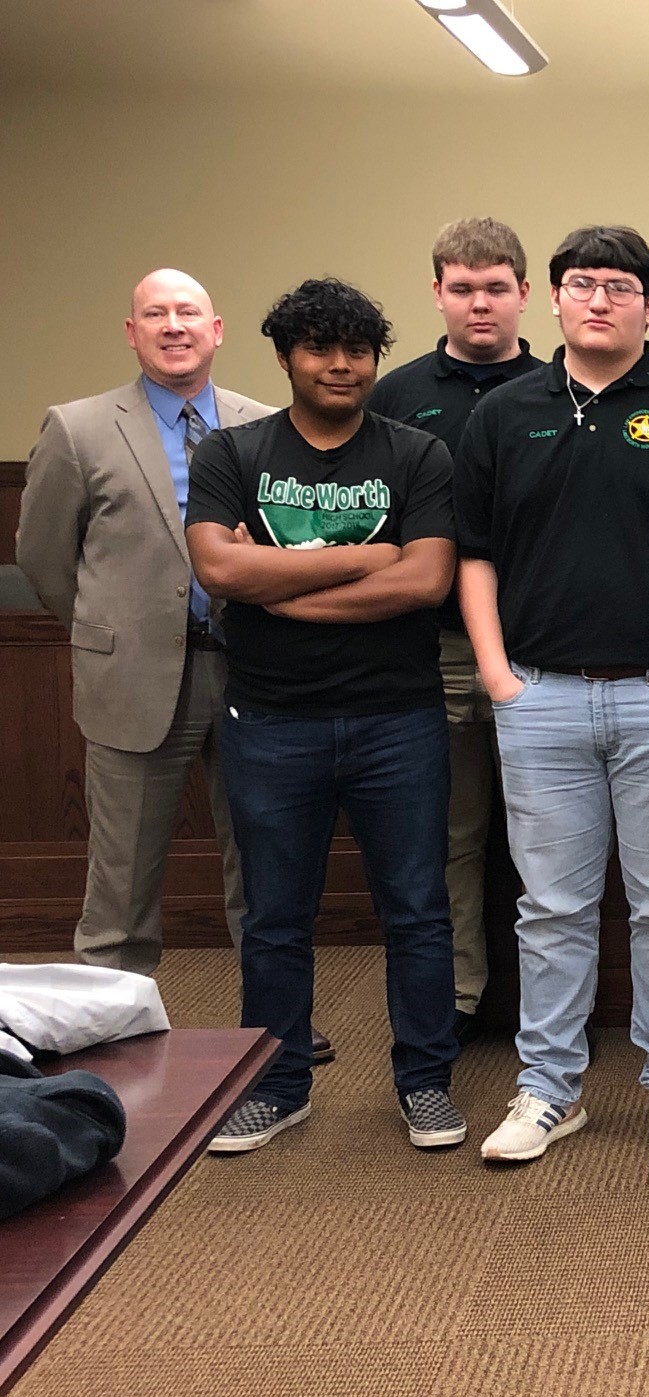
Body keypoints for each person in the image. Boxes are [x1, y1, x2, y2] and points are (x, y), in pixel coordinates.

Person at [454, 225, 649, 1163]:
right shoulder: (505, 415)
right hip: (540, 699)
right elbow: (474, 556)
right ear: (552, 298)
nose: (600, 299)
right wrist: (498, 678)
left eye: (621, 286)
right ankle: (547, 1090)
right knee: (549, 907)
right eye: (582, 283)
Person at [185, 279, 463, 1152]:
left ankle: (425, 1084)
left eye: (357, 350)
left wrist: (282, 586)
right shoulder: (232, 453)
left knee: (417, 910)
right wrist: (366, 556)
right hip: (270, 721)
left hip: (398, 720)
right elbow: (221, 576)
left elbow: (425, 581)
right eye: (319, 348)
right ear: (284, 357)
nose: (340, 365)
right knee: (275, 915)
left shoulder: (417, 454)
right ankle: (277, 1085)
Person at [14, 271, 272, 987]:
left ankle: (277, 1019)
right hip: (131, 680)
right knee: (122, 885)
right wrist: (109, 628)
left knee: (266, 866)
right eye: (154, 314)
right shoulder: (79, 427)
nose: (173, 325)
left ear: (216, 330)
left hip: (256, 674)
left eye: (188, 312)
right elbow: (43, 557)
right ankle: (109, 1026)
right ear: (132, 333)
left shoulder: (264, 423)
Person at [367, 217, 544, 1041]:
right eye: (463, 288)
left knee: (547, 840)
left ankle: (542, 1003)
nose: (480, 304)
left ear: (524, 295)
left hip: (540, 650)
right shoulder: (396, 396)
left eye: (496, 288)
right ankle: (460, 998)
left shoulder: (561, 391)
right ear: (437, 292)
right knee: (450, 836)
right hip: (429, 651)